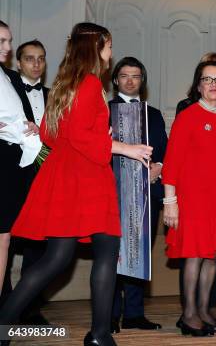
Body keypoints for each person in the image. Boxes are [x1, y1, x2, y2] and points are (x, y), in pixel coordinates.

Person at [0, 22, 153, 346]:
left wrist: (98, 137)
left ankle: (3, 326)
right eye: (108, 47)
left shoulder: (65, 83)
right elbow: (82, 136)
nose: (111, 54)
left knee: (56, 259)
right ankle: (98, 335)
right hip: (87, 178)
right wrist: (125, 146)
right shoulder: (88, 84)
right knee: (106, 252)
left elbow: (48, 133)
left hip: (65, 176)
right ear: (96, 47)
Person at [163, 60, 216, 337]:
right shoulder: (188, 115)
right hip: (193, 197)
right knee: (194, 255)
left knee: (213, 256)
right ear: (198, 85)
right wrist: (170, 202)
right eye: (207, 80)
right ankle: (189, 314)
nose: (213, 85)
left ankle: (206, 309)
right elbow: (171, 162)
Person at [109, 57, 167, 333]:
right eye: (124, 76)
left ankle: (134, 314)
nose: (130, 81)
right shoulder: (104, 110)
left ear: (142, 81)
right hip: (112, 193)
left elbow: (164, 150)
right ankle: (108, 315)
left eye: (136, 76)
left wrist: (159, 168)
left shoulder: (153, 113)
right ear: (115, 80)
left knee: (139, 253)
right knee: (112, 255)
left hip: (147, 194)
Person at [1, 39, 50, 325]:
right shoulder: (7, 87)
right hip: (13, 174)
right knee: (4, 239)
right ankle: (6, 307)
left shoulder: (53, 94)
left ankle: (30, 308)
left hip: (45, 177)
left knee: (38, 245)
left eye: (41, 58)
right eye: (30, 58)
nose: (36, 63)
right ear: (18, 63)